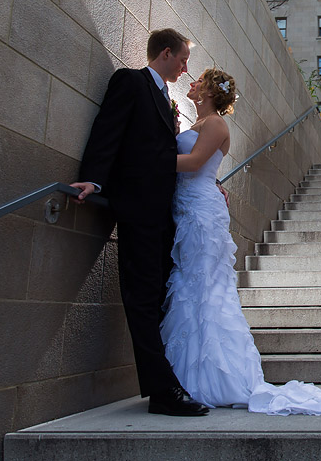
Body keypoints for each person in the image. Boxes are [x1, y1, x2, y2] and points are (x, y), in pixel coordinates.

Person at [161, 67, 321, 416]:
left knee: (204, 287)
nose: (192, 82)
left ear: (209, 91)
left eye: (199, 80)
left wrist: (146, 157)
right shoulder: (198, 123)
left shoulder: (215, 124)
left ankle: (214, 377)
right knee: (192, 286)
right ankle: (188, 375)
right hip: (188, 206)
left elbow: (193, 163)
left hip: (201, 213)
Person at [70, 28, 209, 417]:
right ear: (165, 53)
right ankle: (162, 392)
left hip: (164, 214)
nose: (185, 69)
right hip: (137, 210)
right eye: (182, 60)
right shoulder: (130, 82)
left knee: (158, 295)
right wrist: (93, 178)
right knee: (143, 298)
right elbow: (108, 129)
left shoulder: (167, 99)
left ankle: (168, 381)